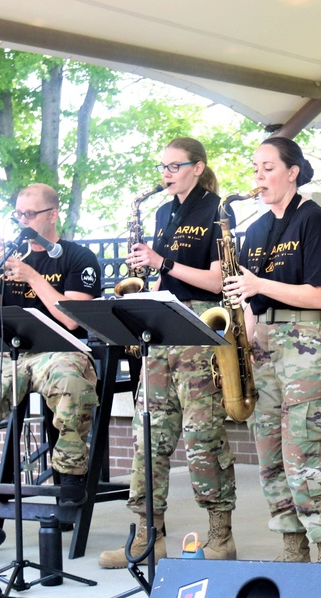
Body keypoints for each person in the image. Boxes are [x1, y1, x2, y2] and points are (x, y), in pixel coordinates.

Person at [98, 138, 236, 568]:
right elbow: (162, 275)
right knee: (148, 435)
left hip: (198, 324)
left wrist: (162, 264)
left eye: (175, 166)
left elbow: (217, 281)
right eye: (163, 167)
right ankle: (146, 536)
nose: (166, 174)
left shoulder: (218, 210)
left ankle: (220, 535)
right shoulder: (162, 211)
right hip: (162, 325)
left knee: (201, 437)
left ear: (198, 167)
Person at [0, 183, 100, 569]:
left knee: (72, 382)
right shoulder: (8, 258)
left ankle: (69, 470)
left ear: (52, 214)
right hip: (12, 354)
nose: (23, 221)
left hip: (59, 351)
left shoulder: (79, 258)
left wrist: (33, 277)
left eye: (30, 215)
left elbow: (73, 320)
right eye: (18, 214)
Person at [223, 137, 321, 563]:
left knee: (305, 457)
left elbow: (319, 296)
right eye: (255, 167)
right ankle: (293, 553)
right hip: (265, 348)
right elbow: (251, 303)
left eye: (268, 167)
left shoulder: (313, 220)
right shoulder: (255, 231)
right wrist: (238, 350)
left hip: (308, 346)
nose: (258, 177)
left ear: (292, 171)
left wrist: (258, 285)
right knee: (270, 457)